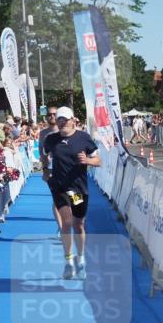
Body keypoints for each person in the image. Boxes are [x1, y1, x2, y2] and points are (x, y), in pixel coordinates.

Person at [42, 107, 101, 280]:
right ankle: (68, 263)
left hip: (78, 189)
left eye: (65, 119)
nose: (61, 122)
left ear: (73, 119)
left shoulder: (84, 138)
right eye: (59, 119)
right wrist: (46, 170)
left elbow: (99, 160)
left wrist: (88, 160)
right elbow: (44, 155)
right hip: (59, 187)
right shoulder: (51, 139)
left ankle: (80, 259)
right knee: (66, 224)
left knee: (78, 225)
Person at [38, 108, 64, 233]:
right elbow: (41, 153)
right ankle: (61, 227)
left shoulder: (66, 129)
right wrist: (44, 169)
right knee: (57, 199)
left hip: (69, 169)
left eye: (54, 114)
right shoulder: (43, 133)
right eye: (49, 114)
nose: (52, 116)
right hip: (51, 169)